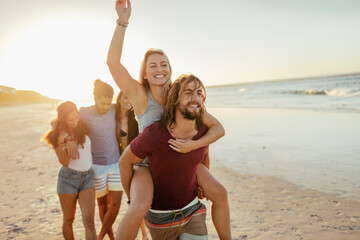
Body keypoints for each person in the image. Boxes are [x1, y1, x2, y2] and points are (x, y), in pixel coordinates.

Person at [108, 1, 231, 239]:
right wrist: (123, 21)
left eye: (164, 64)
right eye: (152, 65)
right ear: (144, 73)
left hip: (184, 156)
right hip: (147, 163)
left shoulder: (182, 95)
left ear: (171, 69)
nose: (159, 68)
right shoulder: (140, 96)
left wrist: (196, 154)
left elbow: (210, 129)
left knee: (221, 193)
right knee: (139, 206)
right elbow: (113, 64)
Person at [120, 74, 211, 239]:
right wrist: (130, 195)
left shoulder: (204, 129)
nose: (195, 98)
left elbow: (205, 154)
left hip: (193, 210)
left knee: (221, 193)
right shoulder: (155, 133)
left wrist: (200, 184)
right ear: (175, 98)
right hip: (161, 218)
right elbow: (124, 161)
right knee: (138, 206)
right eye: (188, 93)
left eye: (199, 93)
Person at [76, 79, 123, 240]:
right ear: (94, 98)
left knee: (115, 205)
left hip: (116, 164)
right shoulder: (83, 111)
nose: (105, 107)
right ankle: (111, 237)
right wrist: (67, 142)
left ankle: (100, 236)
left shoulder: (114, 108)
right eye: (102, 103)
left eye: (108, 103)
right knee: (102, 206)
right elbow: (59, 123)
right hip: (96, 167)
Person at [43, 101, 97, 240]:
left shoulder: (82, 127)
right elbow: (65, 162)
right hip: (69, 179)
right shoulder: (57, 136)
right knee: (68, 220)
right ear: (63, 119)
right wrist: (65, 141)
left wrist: (70, 137)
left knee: (89, 222)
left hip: (88, 177)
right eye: (70, 119)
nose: (75, 122)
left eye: (76, 117)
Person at [114, 91, 149, 240]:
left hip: (137, 161)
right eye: (125, 97)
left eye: (130, 97)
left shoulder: (135, 117)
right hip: (121, 162)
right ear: (119, 99)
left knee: (134, 201)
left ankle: (143, 234)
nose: (128, 100)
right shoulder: (113, 117)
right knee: (131, 201)